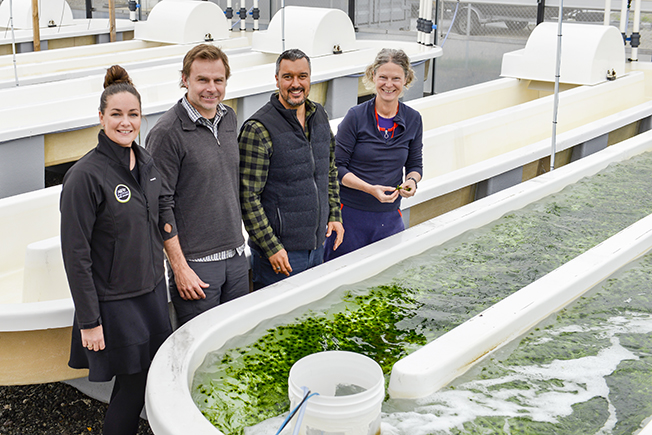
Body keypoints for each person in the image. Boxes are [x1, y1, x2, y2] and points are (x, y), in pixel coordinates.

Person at [60, 65, 172, 435]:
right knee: (133, 387)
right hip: (117, 304)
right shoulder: (84, 177)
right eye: (116, 114)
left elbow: (161, 212)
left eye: (133, 114)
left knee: (138, 383)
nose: (126, 123)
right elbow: (76, 256)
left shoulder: (147, 163)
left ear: (142, 116)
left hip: (152, 294)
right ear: (101, 117)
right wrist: (90, 321)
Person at [146, 44, 248, 325]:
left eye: (218, 80)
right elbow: (159, 205)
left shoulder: (229, 118)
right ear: (185, 79)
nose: (211, 88)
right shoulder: (166, 133)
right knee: (201, 348)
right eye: (202, 79)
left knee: (237, 339)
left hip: (237, 256)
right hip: (198, 266)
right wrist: (179, 267)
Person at [239, 48, 344, 290]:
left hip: (317, 247)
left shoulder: (319, 116)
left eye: (302, 76)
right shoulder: (258, 128)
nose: (295, 84)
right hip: (280, 256)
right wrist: (271, 248)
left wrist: (334, 216)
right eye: (288, 77)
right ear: (276, 79)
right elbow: (248, 197)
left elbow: (329, 170)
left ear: (310, 79)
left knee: (311, 319)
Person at [324, 48, 423, 261]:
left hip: (389, 218)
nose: (389, 84)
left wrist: (412, 181)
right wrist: (369, 189)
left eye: (396, 78)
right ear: (373, 77)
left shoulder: (413, 119)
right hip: (350, 216)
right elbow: (336, 167)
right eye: (383, 77)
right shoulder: (355, 116)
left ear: (406, 79)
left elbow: (415, 164)